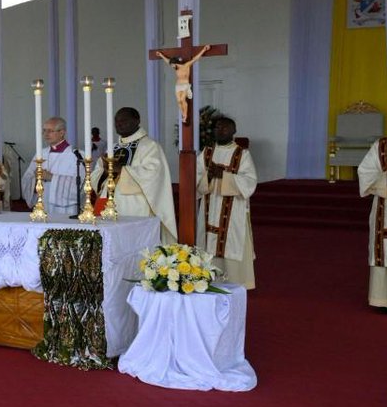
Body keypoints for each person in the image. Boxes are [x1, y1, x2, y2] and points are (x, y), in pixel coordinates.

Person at [93, 107, 176, 243]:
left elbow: (153, 175)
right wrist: (105, 172)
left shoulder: (150, 146)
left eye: (124, 120)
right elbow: (97, 173)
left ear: (137, 121)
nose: (119, 123)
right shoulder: (112, 148)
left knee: (133, 246)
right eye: (116, 121)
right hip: (107, 203)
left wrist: (123, 170)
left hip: (134, 207)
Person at [196, 117, 257, 288]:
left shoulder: (242, 154)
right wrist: (208, 175)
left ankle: (236, 282)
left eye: (224, 128)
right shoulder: (206, 152)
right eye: (217, 128)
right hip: (210, 204)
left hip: (233, 209)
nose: (220, 131)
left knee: (233, 241)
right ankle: (207, 280)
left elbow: (250, 182)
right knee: (207, 240)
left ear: (233, 131)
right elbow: (195, 178)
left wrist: (224, 175)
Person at [359, 103, 387, 311]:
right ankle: (384, 299)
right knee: (386, 250)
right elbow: (365, 172)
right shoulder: (381, 146)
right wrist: (385, 177)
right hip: (385, 210)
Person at [22, 117, 79, 216]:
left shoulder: (75, 155)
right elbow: (26, 178)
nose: (46, 134)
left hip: (64, 209)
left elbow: (80, 185)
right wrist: (35, 179)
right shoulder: (40, 154)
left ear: (62, 132)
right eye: (44, 131)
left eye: (50, 131)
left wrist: (51, 177)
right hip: (42, 205)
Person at [156, 44, 211, 124]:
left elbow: (195, 59)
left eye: (172, 65)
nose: (171, 66)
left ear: (175, 63)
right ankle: (183, 114)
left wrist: (204, 49)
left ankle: (185, 115)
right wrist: (161, 55)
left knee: (182, 99)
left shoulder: (186, 66)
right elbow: (167, 61)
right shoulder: (175, 68)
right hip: (178, 86)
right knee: (178, 101)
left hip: (185, 85)